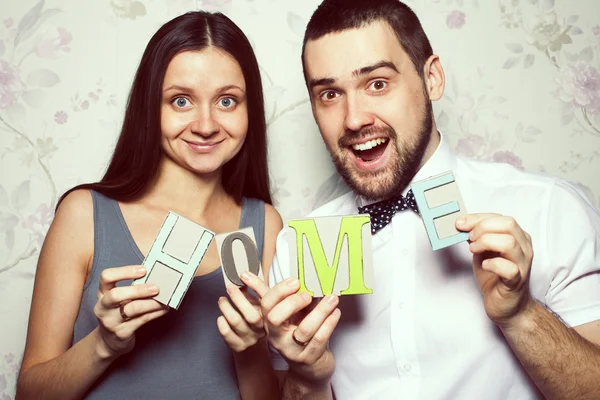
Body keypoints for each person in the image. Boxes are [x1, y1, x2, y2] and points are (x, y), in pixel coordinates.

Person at [263, 0, 600, 399]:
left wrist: (520, 315)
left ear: (432, 78)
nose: (354, 118)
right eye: (330, 93)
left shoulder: (549, 209)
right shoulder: (294, 254)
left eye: (377, 83)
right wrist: (308, 378)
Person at [16, 11, 280, 400]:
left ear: (249, 110)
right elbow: (29, 394)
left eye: (227, 101)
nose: (205, 124)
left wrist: (249, 347)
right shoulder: (85, 214)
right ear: (149, 107)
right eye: (180, 100)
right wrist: (104, 344)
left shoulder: (264, 224)